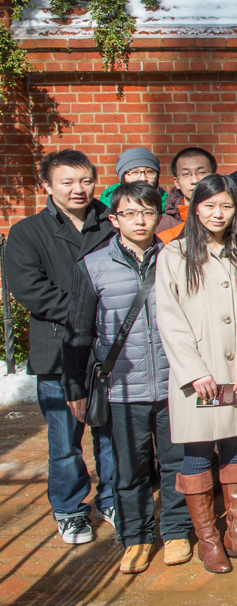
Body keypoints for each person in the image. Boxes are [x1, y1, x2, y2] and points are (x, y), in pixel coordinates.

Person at [64, 182, 187, 572]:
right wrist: (74, 386)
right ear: (114, 219)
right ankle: (134, 537)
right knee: (128, 468)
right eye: (130, 213)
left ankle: (176, 531)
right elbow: (79, 331)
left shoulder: (176, 258)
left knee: (175, 461)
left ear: (158, 216)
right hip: (121, 387)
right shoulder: (93, 265)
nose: (140, 220)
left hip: (173, 383)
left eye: (148, 212)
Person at [155, 174, 237, 572]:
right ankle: (208, 540)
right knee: (197, 455)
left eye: (225, 206)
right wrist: (192, 371)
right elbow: (169, 320)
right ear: (195, 208)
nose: (217, 214)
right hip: (199, 378)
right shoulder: (175, 254)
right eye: (209, 206)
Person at [3, 150, 116, 544]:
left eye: (85, 180)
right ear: (48, 187)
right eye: (67, 182)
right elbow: (32, 291)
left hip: (110, 350)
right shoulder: (27, 232)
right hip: (58, 351)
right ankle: (69, 509)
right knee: (64, 439)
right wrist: (88, 312)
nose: (78, 189)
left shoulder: (111, 223)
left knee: (110, 432)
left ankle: (112, 497)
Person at [158, 148, 216, 241]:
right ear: (176, 182)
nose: (194, 181)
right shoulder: (163, 225)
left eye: (201, 172)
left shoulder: (225, 218)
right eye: (185, 174)